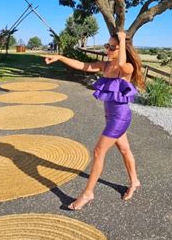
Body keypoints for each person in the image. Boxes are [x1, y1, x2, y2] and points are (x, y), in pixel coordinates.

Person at [44, 30, 144, 210]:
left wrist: (122, 38)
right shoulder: (105, 66)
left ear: (122, 49)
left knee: (98, 151)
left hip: (121, 117)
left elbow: (121, 63)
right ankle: (135, 181)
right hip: (110, 116)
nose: (108, 49)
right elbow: (82, 65)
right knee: (124, 148)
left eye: (113, 47)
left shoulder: (126, 68)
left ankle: (88, 193)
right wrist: (60, 57)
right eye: (107, 45)